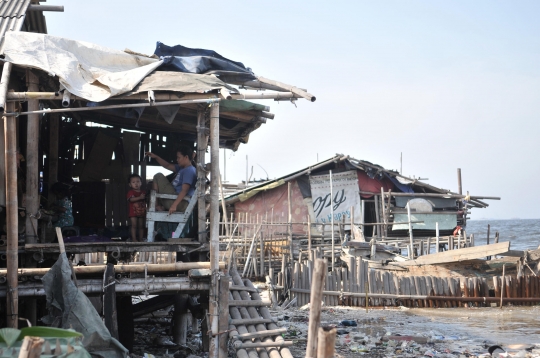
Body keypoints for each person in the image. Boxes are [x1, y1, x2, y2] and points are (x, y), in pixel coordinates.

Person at [145, 146, 197, 215]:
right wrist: (156, 157)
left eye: (179, 157)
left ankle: (156, 205)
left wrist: (174, 205)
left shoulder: (189, 170)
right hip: (175, 200)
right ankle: (159, 206)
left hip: (181, 203)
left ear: (186, 157)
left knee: (158, 176)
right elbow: (167, 165)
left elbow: (185, 190)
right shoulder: (182, 168)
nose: (177, 159)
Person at [126, 174, 146, 242]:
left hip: (142, 212)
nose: (136, 184)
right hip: (133, 213)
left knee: (141, 226)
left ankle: (141, 239)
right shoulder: (130, 192)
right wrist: (140, 197)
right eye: (133, 182)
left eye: (138, 181)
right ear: (130, 184)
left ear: (141, 183)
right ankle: (134, 239)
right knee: (134, 225)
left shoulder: (143, 192)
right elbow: (131, 199)